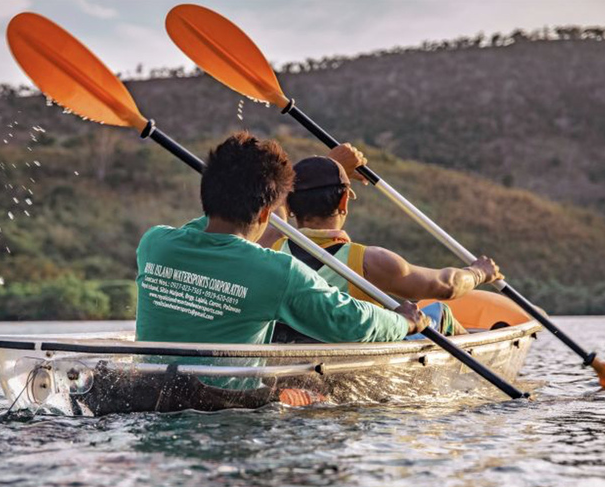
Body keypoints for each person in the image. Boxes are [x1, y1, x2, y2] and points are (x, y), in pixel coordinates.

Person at [135, 132, 431, 348]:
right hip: (226, 414)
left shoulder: (154, 244)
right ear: (267, 212)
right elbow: (348, 321)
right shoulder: (279, 273)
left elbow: (211, 225)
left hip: (151, 393)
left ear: (206, 193)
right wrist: (403, 321)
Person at [264, 146, 504, 340]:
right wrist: (478, 273)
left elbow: (275, 209)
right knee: (441, 313)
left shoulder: (268, 245)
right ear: (345, 201)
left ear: (292, 206)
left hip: (294, 352)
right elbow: (447, 285)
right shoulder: (370, 262)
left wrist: (329, 167)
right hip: (352, 355)